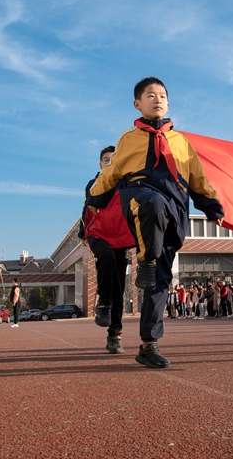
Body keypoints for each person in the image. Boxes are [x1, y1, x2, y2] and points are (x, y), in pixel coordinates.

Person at [88, 77, 224, 368]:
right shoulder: (129, 139)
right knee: (153, 203)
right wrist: (94, 198)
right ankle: (146, 259)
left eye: (162, 95)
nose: (157, 99)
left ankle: (149, 345)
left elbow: (198, 178)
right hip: (139, 196)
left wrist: (212, 207)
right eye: (150, 95)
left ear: (168, 103)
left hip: (176, 204)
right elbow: (111, 174)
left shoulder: (181, 142)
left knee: (161, 279)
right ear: (137, 104)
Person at [79, 145, 135, 353]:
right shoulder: (93, 183)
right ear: (100, 164)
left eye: (114, 159)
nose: (109, 162)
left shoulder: (127, 183)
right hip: (98, 233)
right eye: (106, 160)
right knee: (106, 255)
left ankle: (114, 335)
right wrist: (82, 233)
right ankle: (103, 301)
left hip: (121, 237)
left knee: (119, 288)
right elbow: (86, 209)